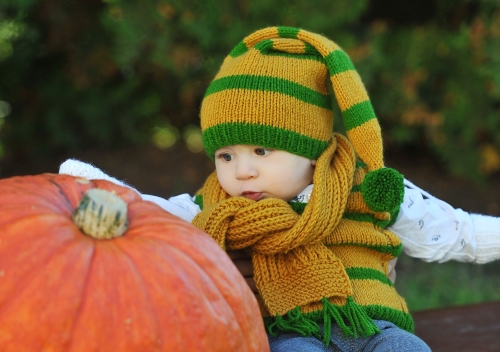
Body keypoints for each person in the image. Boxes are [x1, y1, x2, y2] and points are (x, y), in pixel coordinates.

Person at [61, 26, 433, 351]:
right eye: (225, 156)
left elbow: (439, 226)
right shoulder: (219, 208)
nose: (243, 172)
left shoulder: (360, 185)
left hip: (370, 322)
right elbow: (153, 211)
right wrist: (89, 181)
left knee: (405, 347)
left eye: (261, 150)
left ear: (311, 150)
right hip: (289, 329)